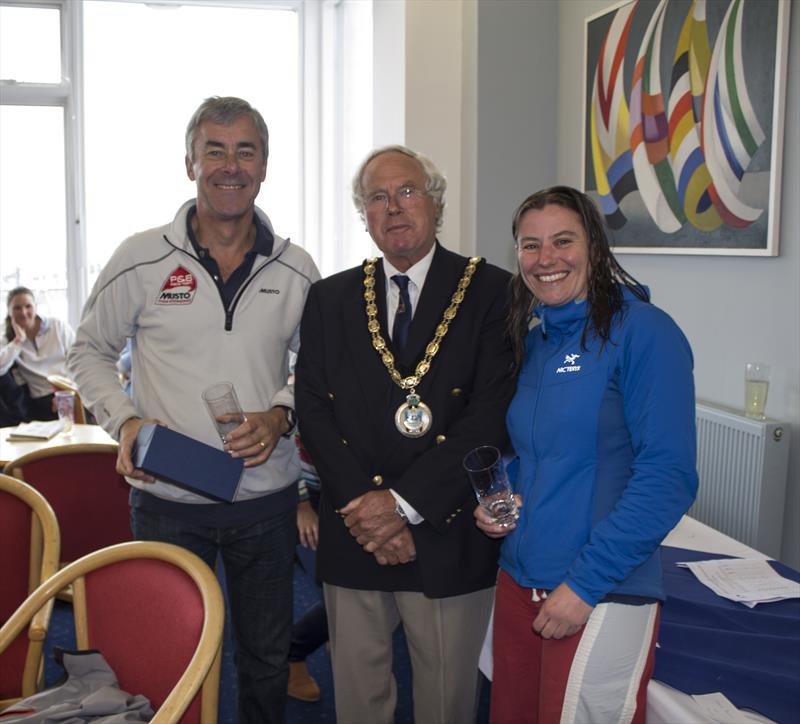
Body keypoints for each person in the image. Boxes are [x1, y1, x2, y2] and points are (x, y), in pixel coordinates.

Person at [67, 96, 321, 724]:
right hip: (167, 500)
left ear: (264, 167)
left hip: (265, 502)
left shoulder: (296, 269)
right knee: (168, 657)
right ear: (190, 164)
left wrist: (281, 413)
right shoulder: (141, 257)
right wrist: (124, 421)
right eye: (215, 150)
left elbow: (319, 368)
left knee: (264, 659)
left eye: (245, 151)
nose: (229, 166)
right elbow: (90, 351)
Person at [295, 145, 516, 724]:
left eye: (408, 191)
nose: (393, 207)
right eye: (377, 197)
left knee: (447, 704)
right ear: (363, 214)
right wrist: (369, 512)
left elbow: (491, 416)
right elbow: (313, 410)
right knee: (359, 704)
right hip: (354, 529)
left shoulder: (493, 292)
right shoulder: (329, 298)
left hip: (444, 531)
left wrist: (403, 506)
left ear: (436, 203)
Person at [475, 186, 698, 724]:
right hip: (519, 580)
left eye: (562, 241)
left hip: (599, 590)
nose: (545, 259)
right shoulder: (536, 340)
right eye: (530, 245)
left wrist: (584, 585)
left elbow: (667, 477)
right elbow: (535, 449)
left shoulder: (645, 332)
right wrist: (501, 492)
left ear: (594, 248)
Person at [1, 286, 75, 420]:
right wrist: (18, 341)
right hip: (39, 401)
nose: (23, 312)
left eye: (28, 306)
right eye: (17, 308)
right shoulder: (8, 338)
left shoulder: (58, 327)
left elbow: (78, 361)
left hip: (68, 389)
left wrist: (66, 393)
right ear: (9, 311)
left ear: (35, 307)